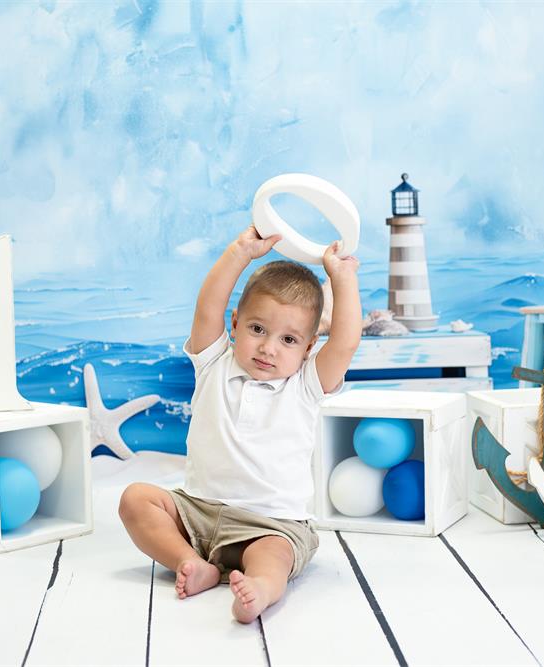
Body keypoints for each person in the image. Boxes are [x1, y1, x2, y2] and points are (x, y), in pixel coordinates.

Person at [118, 224, 361, 623]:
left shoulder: (305, 384)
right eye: (257, 329)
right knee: (135, 500)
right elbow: (206, 308)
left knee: (273, 556)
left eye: (288, 340)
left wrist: (342, 278)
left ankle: (262, 589)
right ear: (235, 325)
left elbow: (346, 342)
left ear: (307, 348)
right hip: (197, 512)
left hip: (270, 523)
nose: (268, 348)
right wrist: (239, 253)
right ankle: (192, 564)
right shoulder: (213, 363)